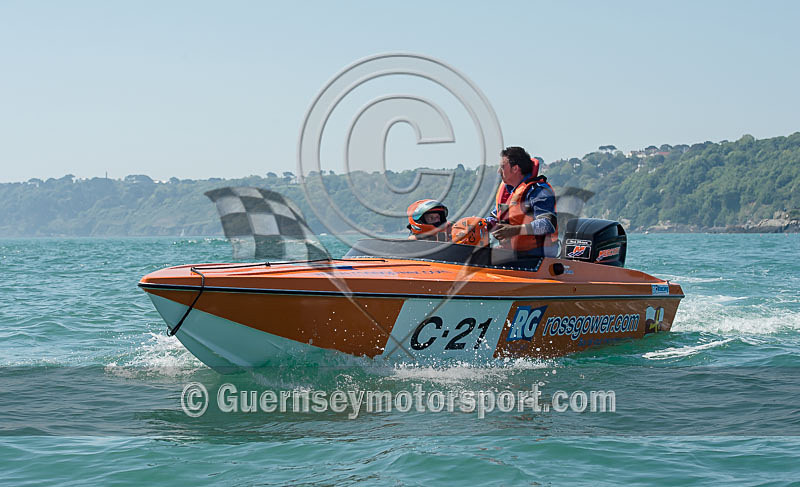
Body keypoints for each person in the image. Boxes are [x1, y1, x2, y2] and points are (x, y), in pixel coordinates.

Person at [488, 147, 558, 257]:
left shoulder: (539, 190)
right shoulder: (508, 191)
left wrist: (515, 230)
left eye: (502, 167)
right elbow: (494, 217)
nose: (498, 171)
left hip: (538, 257)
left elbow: (547, 224)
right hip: (514, 255)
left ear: (515, 169)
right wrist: (480, 224)